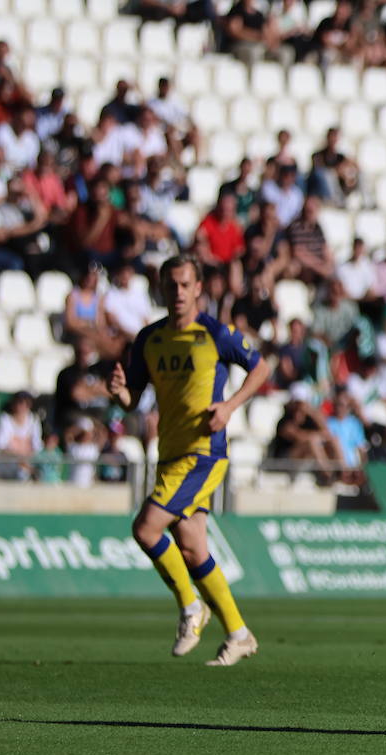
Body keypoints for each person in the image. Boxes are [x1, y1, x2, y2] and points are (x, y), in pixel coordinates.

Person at [106, 256, 271, 667]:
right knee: (193, 547)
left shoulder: (215, 333)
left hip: (203, 452)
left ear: (198, 288)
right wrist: (121, 394)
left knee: (145, 528)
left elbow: (261, 367)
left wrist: (230, 406)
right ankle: (238, 633)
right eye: (170, 285)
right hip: (170, 454)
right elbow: (134, 399)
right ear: (161, 290)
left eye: (184, 284)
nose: (177, 292)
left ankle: (190, 607)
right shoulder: (149, 340)